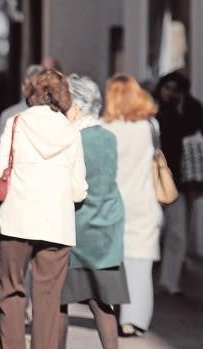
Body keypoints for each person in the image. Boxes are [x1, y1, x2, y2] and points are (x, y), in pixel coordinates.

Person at [0, 68, 88, 349]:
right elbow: (79, 188)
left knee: (11, 292)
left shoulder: (17, 122)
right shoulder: (71, 130)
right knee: (48, 300)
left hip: (17, 219)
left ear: (30, 91)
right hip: (56, 223)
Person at [59, 74, 130, 349]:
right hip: (107, 228)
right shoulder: (108, 136)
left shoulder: (72, 138)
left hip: (77, 228)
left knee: (60, 301)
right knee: (102, 303)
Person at [102, 73, 162, 337]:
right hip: (146, 201)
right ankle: (135, 318)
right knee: (141, 263)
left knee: (119, 262)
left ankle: (119, 314)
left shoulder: (108, 128)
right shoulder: (150, 126)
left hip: (116, 201)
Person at [153, 71, 203, 296]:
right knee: (159, 229)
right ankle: (159, 277)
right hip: (159, 177)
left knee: (176, 232)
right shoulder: (155, 110)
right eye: (167, 88)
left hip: (179, 180)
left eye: (174, 89)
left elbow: (199, 136)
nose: (169, 93)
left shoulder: (191, 109)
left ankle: (170, 280)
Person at [0, 64, 43, 151]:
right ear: (23, 87)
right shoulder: (9, 116)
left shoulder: (54, 116)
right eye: (32, 87)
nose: (36, 92)